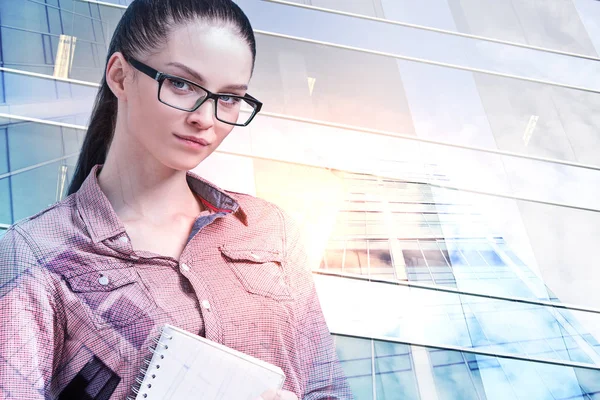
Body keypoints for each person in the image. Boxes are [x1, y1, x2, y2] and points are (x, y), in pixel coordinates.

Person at [0, 0, 352, 399]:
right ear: (120, 76)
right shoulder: (36, 254)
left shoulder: (270, 232)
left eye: (230, 98)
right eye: (182, 84)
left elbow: (326, 390)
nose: (207, 118)